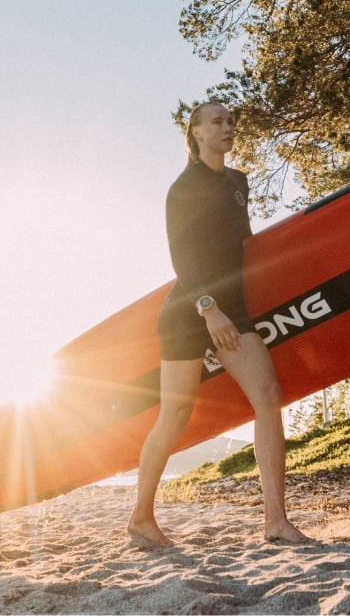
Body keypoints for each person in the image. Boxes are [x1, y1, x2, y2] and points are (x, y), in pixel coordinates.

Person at [128, 101, 312, 548]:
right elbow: (183, 258)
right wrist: (209, 309)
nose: (228, 128)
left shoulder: (237, 182)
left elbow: (241, 247)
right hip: (190, 311)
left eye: (231, 121)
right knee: (174, 414)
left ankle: (276, 522)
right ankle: (140, 520)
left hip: (232, 307)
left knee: (268, 397)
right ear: (195, 133)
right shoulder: (184, 188)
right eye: (217, 122)